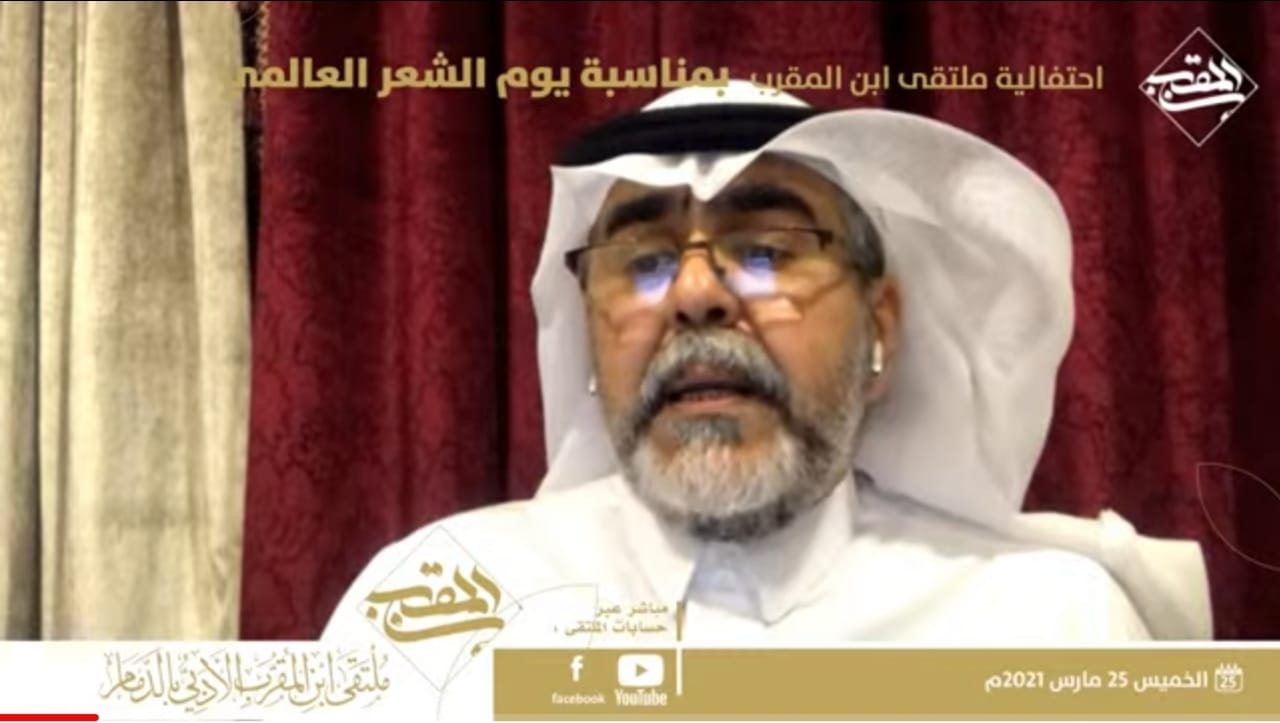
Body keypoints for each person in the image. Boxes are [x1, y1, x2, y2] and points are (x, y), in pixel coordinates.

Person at [321, 83, 1212, 715]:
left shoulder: (1050, 626)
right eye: (645, 261)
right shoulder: (432, 607)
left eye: (766, 251)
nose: (694, 294)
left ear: (880, 330)